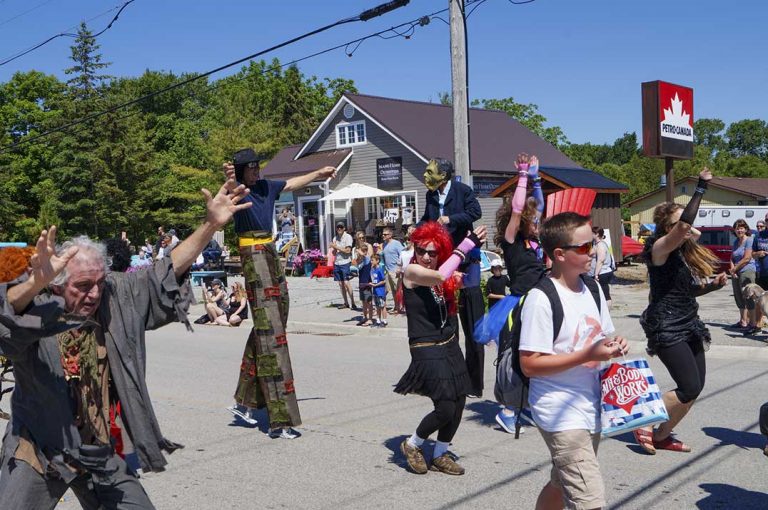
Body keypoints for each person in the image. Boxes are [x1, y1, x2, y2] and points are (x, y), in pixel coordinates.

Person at [0, 180, 251, 509]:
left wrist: (211, 225)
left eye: (99, 283)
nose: (93, 294)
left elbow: (164, 271)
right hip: (40, 449)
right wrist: (36, 282)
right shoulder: (40, 298)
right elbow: (8, 312)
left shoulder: (116, 294)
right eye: (84, 285)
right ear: (59, 286)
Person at [222, 148, 336, 438]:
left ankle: (244, 402)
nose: (256, 170)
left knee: (272, 324)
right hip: (252, 252)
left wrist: (318, 174)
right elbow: (230, 190)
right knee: (271, 334)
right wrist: (230, 181)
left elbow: (293, 183)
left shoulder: (267, 186)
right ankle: (279, 420)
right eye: (250, 167)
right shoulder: (239, 191)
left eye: (258, 166)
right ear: (240, 170)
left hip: (271, 250)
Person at [519, 212, 628, 510]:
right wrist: (588, 355)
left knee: (561, 482)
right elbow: (530, 363)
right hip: (560, 413)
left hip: (591, 406)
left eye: (592, 243)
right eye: (583, 247)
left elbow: (604, 337)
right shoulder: (541, 299)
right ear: (559, 254)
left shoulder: (591, 288)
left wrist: (615, 345)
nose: (592, 251)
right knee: (588, 500)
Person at [635, 168, 729, 455]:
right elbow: (685, 226)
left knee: (695, 387)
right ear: (669, 228)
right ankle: (645, 420)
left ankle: (662, 435)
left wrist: (712, 286)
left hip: (689, 323)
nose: (688, 227)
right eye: (680, 223)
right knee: (687, 387)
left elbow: (686, 291)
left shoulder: (683, 254)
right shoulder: (659, 249)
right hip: (666, 326)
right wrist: (700, 188)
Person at [396, 222, 486, 476]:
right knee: (445, 406)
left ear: (440, 254)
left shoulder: (442, 279)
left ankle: (440, 453)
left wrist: (475, 256)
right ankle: (413, 444)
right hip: (426, 349)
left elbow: (472, 282)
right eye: (422, 250)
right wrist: (466, 245)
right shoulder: (412, 272)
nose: (426, 256)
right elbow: (439, 275)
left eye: (432, 253)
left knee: (458, 402)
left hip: (449, 345)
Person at [476, 153, 545, 431]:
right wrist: (523, 176)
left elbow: (537, 206)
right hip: (518, 305)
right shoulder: (512, 240)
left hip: (538, 301)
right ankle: (506, 409)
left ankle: (522, 406)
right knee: (514, 356)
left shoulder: (532, 242)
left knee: (536, 355)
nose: (538, 224)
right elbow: (518, 209)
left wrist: (538, 179)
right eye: (534, 221)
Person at [418, 158, 485, 397]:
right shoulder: (430, 195)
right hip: (443, 263)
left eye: (431, 172)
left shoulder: (462, 190)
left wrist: (450, 219)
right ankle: (455, 378)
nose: (426, 177)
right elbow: (428, 218)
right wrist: (416, 230)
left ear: (443, 176)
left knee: (472, 327)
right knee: (448, 326)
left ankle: (475, 384)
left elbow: (475, 213)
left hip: (466, 262)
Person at [730, 219, 757, 332]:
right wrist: (732, 269)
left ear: (746, 229)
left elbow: (747, 258)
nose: (739, 230)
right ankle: (743, 321)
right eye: (737, 228)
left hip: (747, 271)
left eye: (741, 228)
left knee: (748, 297)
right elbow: (732, 257)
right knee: (738, 296)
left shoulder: (749, 240)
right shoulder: (736, 241)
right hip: (736, 272)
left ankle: (753, 323)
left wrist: (735, 269)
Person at [331, 222, 357, 310]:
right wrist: (333, 249)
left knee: (346, 283)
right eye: (338, 227)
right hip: (337, 262)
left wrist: (336, 247)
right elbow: (334, 252)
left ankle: (353, 303)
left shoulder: (348, 237)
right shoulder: (335, 238)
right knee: (340, 284)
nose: (339, 229)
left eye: (341, 227)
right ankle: (345, 302)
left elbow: (348, 251)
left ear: (344, 228)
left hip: (345, 262)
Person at [589, 226, 615, 309]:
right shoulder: (596, 244)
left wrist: (596, 274)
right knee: (601, 293)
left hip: (602, 272)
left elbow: (601, 260)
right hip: (601, 272)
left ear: (596, 234)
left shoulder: (600, 245)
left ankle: (607, 312)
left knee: (605, 294)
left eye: (592, 233)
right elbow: (590, 253)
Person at [380, 227, 403, 312]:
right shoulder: (384, 244)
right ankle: (397, 307)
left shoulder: (396, 243)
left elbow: (402, 254)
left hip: (395, 270)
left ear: (390, 235)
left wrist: (399, 268)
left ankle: (402, 306)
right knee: (392, 290)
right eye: (383, 234)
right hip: (388, 270)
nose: (383, 235)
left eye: (385, 234)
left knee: (398, 290)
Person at [751, 220, 768, 329]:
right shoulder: (758, 236)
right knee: (759, 302)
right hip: (762, 274)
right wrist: (757, 253)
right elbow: (752, 254)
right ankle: (757, 326)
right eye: (767, 220)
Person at [353, 243, 374, 326]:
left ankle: (370, 319)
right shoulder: (360, 262)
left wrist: (359, 251)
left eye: (363, 251)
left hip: (367, 284)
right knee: (363, 302)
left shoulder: (367, 259)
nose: (360, 253)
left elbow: (366, 257)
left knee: (369, 302)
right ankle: (365, 317)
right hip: (361, 284)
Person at [369, 253, 388, 328]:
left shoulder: (380, 269)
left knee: (382, 306)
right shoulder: (372, 269)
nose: (371, 262)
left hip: (380, 291)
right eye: (371, 260)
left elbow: (384, 281)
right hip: (375, 291)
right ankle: (378, 320)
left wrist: (375, 285)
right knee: (377, 306)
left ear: (377, 261)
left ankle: (384, 320)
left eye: (372, 260)